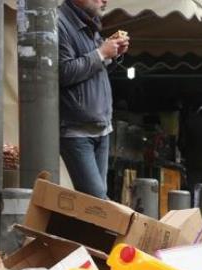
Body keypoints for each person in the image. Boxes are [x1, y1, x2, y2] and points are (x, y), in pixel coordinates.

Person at [58, 0, 129, 199]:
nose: (104, 0)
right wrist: (101, 53)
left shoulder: (90, 23)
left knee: (94, 205)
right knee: (97, 201)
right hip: (76, 130)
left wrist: (111, 56)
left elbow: (94, 70)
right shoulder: (59, 22)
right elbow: (63, 72)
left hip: (102, 127)